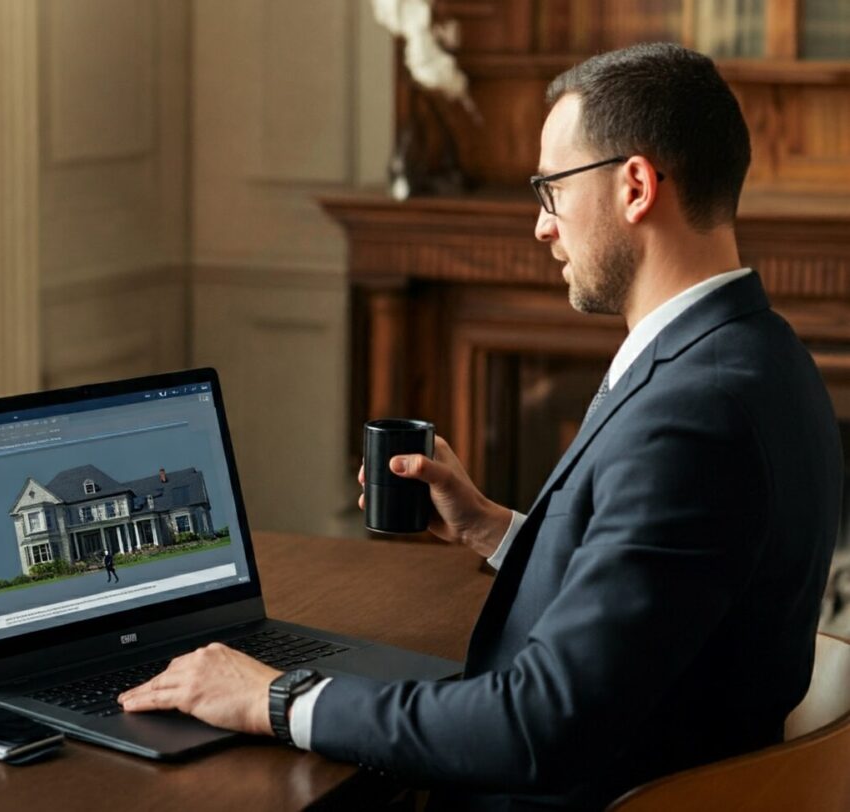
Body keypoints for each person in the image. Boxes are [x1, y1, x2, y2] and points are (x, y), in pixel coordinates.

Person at [116, 43, 842, 810]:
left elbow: (535, 726)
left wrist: (278, 697)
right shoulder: (761, 353)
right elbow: (664, 601)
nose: (541, 227)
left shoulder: (696, 413)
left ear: (635, 186)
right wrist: (494, 530)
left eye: (552, 189)